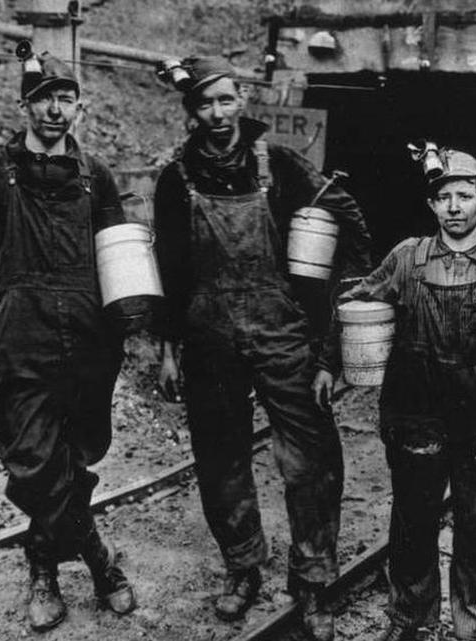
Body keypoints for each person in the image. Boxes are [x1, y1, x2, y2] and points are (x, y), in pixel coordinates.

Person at [151, 56, 372, 640]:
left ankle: (316, 578)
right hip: (208, 337)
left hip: (283, 333)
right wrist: (168, 348)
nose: (218, 114)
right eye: (205, 104)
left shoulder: (280, 164)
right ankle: (243, 565)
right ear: (191, 112)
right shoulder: (176, 180)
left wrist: (341, 309)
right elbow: (168, 269)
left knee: (311, 460)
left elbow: (348, 219)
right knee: (219, 458)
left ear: (241, 100)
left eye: (226, 100)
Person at [0, 52, 136, 632]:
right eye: (44, 98)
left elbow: (120, 257)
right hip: (21, 341)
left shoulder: (95, 174)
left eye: (66, 97)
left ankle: (45, 568)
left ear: (79, 106)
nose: (56, 109)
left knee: (75, 458)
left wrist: (124, 318)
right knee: (35, 466)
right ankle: (96, 563)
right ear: (24, 105)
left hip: (88, 341)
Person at [314, 147, 476, 641]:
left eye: (464, 196)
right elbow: (356, 301)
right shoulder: (406, 257)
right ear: (432, 205)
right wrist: (328, 362)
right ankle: (410, 620)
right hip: (414, 416)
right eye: (444, 197)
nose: (454, 206)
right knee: (412, 523)